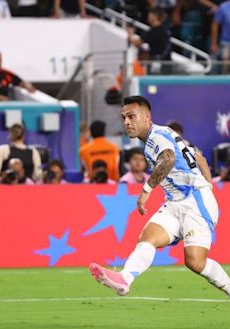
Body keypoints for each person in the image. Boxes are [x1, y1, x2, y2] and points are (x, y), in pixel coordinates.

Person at [89, 96, 227, 300]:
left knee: (195, 262)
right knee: (148, 237)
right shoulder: (164, 134)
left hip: (195, 201)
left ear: (147, 117)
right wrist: (209, 185)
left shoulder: (157, 136)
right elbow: (201, 159)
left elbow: (169, 160)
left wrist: (146, 190)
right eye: (124, 117)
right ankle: (124, 279)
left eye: (131, 116)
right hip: (175, 202)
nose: (127, 122)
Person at [127, 8, 172, 74]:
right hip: (165, 65)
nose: (148, 15)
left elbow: (138, 43)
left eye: (150, 14)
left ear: (155, 16)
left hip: (157, 65)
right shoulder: (163, 30)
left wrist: (130, 34)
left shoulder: (155, 31)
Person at [211, 0, 230, 74]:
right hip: (227, 43)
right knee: (226, 66)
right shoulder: (224, 7)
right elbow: (215, 24)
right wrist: (214, 43)